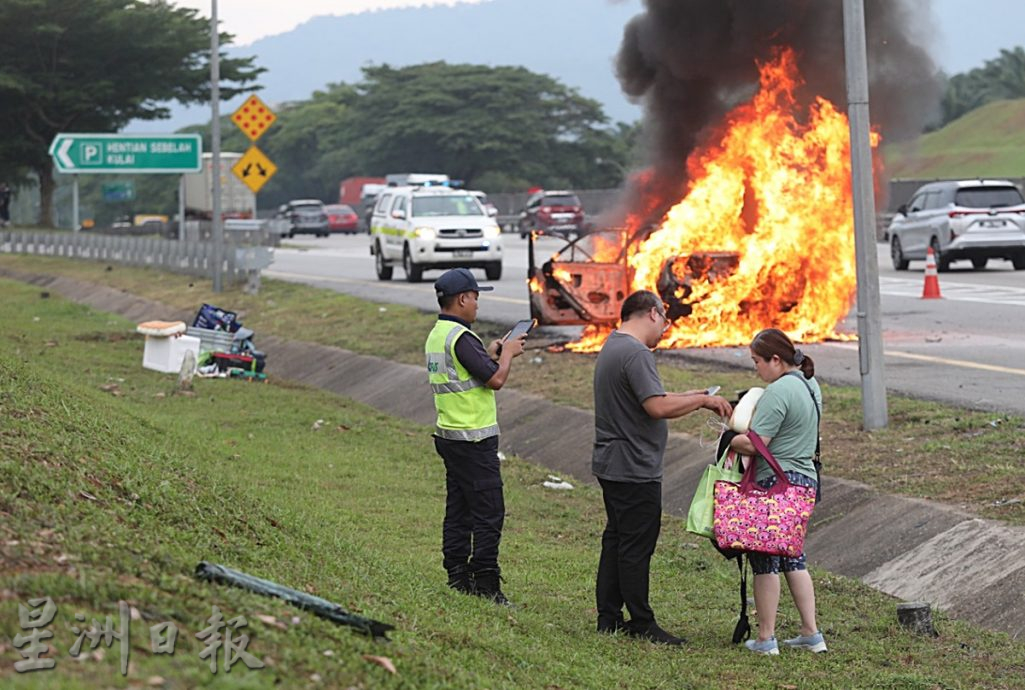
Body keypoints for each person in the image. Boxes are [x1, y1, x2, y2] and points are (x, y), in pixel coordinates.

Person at [593, 289, 733, 644]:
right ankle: (641, 621)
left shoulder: (614, 345)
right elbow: (655, 406)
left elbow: (654, 397)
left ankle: (608, 616)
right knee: (636, 545)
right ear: (653, 313)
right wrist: (701, 399)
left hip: (613, 462)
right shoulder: (636, 353)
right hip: (633, 467)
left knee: (617, 540)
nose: (666, 329)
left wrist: (698, 397)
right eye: (665, 320)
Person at [425, 268, 526, 605]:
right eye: (476, 297)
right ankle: (485, 581)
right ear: (463, 299)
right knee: (488, 511)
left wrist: (493, 352)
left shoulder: (439, 334)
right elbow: (495, 380)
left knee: (460, 507)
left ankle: (457, 573)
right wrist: (508, 354)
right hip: (474, 440)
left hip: (450, 435)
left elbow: (476, 370)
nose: (478, 305)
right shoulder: (462, 337)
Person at [729, 327, 827, 655]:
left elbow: (757, 443)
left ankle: (765, 638)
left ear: (775, 359)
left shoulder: (778, 391)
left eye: (757, 361)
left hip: (774, 484)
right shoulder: (810, 385)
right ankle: (811, 633)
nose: (755, 367)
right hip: (805, 482)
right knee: (793, 557)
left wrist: (728, 438)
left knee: (764, 562)